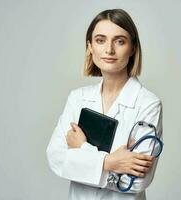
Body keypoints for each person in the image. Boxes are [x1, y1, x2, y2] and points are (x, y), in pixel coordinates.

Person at [46, 8, 163, 200]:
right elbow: (56, 158)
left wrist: (82, 151)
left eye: (119, 41)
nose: (109, 49)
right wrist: (110, 162)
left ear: (133, 48)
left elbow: (138, 181)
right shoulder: (77, 98)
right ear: (90, 46)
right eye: (100, 40)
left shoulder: (148, 104)